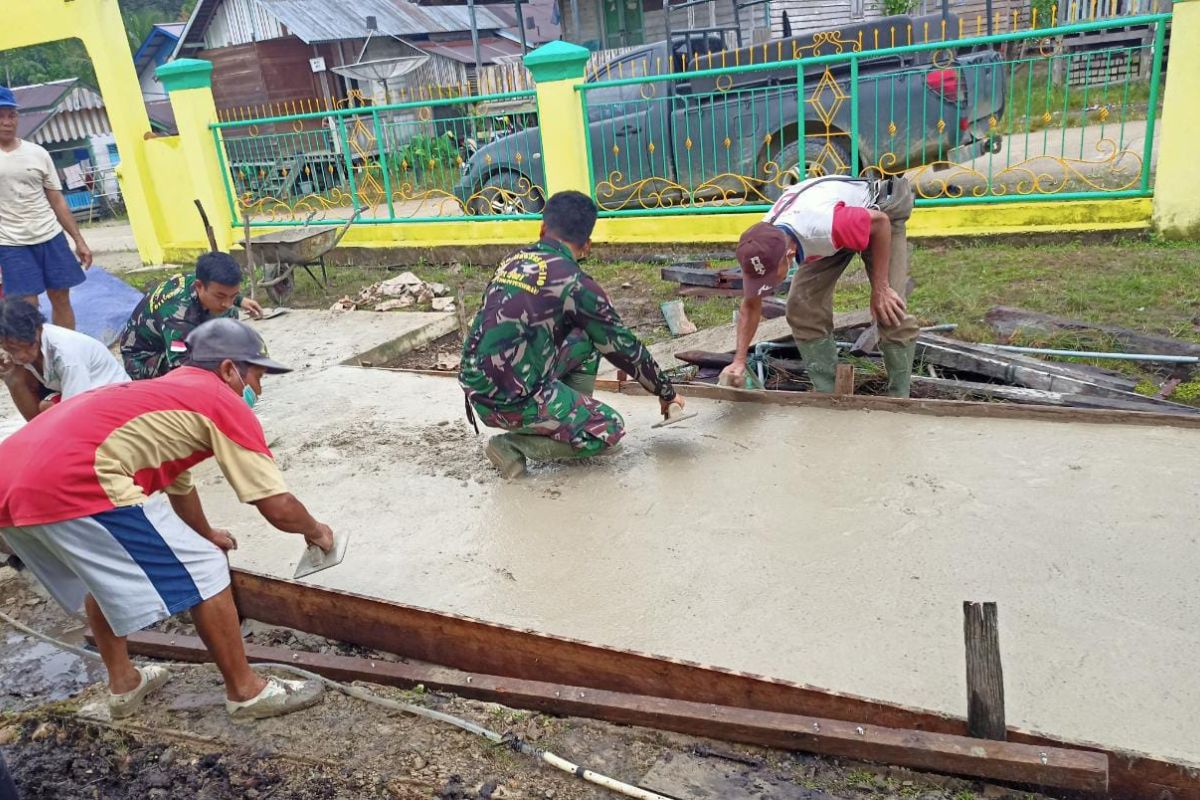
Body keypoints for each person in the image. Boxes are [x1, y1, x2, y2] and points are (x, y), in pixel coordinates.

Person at [0, 318, 334, 721]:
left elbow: (179, 484)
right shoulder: (221, 402)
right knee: (207, 570)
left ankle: (125, 684)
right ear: (229, 369)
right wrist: (317, 532)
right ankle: (247, 692)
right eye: (257, 377)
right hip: (76, 482)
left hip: (10, 483)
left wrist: (205, 532)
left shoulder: (163, 393)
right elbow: (274, 503)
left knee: (102, 576)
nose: (257, 390)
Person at [460, 190, 685, 478]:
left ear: (542, 228)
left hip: (477, 387)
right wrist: (666, 393)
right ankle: (513, 445)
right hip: (509, 402)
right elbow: (624, 348)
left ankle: (564, 423)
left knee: (585, 339)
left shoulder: (514, 260)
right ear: (587, 245)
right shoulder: (575, 283)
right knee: (608, 430)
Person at [720, 175, 919, 397]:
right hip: (839, 222)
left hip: (881, 212)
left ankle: (899, 400)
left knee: (889, 308)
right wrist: (738, 361)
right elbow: (750, 305)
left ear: (789, 255)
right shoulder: (761, 244)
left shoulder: (820, 227)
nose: (768, 286)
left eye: (770, 279)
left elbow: (880, 222)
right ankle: (829, 395)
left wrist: (881, 288)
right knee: (801, 308)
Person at [0, 85, 93, 330]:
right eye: (0, 115)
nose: (7, 122)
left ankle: (63, 352)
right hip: (11, 243)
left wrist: (79, 240)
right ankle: (37, 360)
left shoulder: (37, 153)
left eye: (11, 115)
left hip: (50, 236)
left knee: (61, 297)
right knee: (26, 307)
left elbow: (57, 200)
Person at [120, 251, 264, 380]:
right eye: (220, 296)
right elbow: (180, 365)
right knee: (203, 369)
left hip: (177, 334)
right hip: (144, 358)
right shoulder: (178, 315)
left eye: (233, 296)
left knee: (230, 316)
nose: (226, 303)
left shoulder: (204, 281)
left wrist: (240, 300)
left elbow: (222, 293)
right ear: (199, 286)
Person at [0, 298, 129, 420]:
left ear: (39, 329)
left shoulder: (66, 355)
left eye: (27, 346)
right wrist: (11, 378)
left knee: (49, 409)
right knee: (17, 377)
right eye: (13, 349)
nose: (21, 355)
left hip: (115, 398)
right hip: (83, 395)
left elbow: (73, 410)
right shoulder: (16, 353)